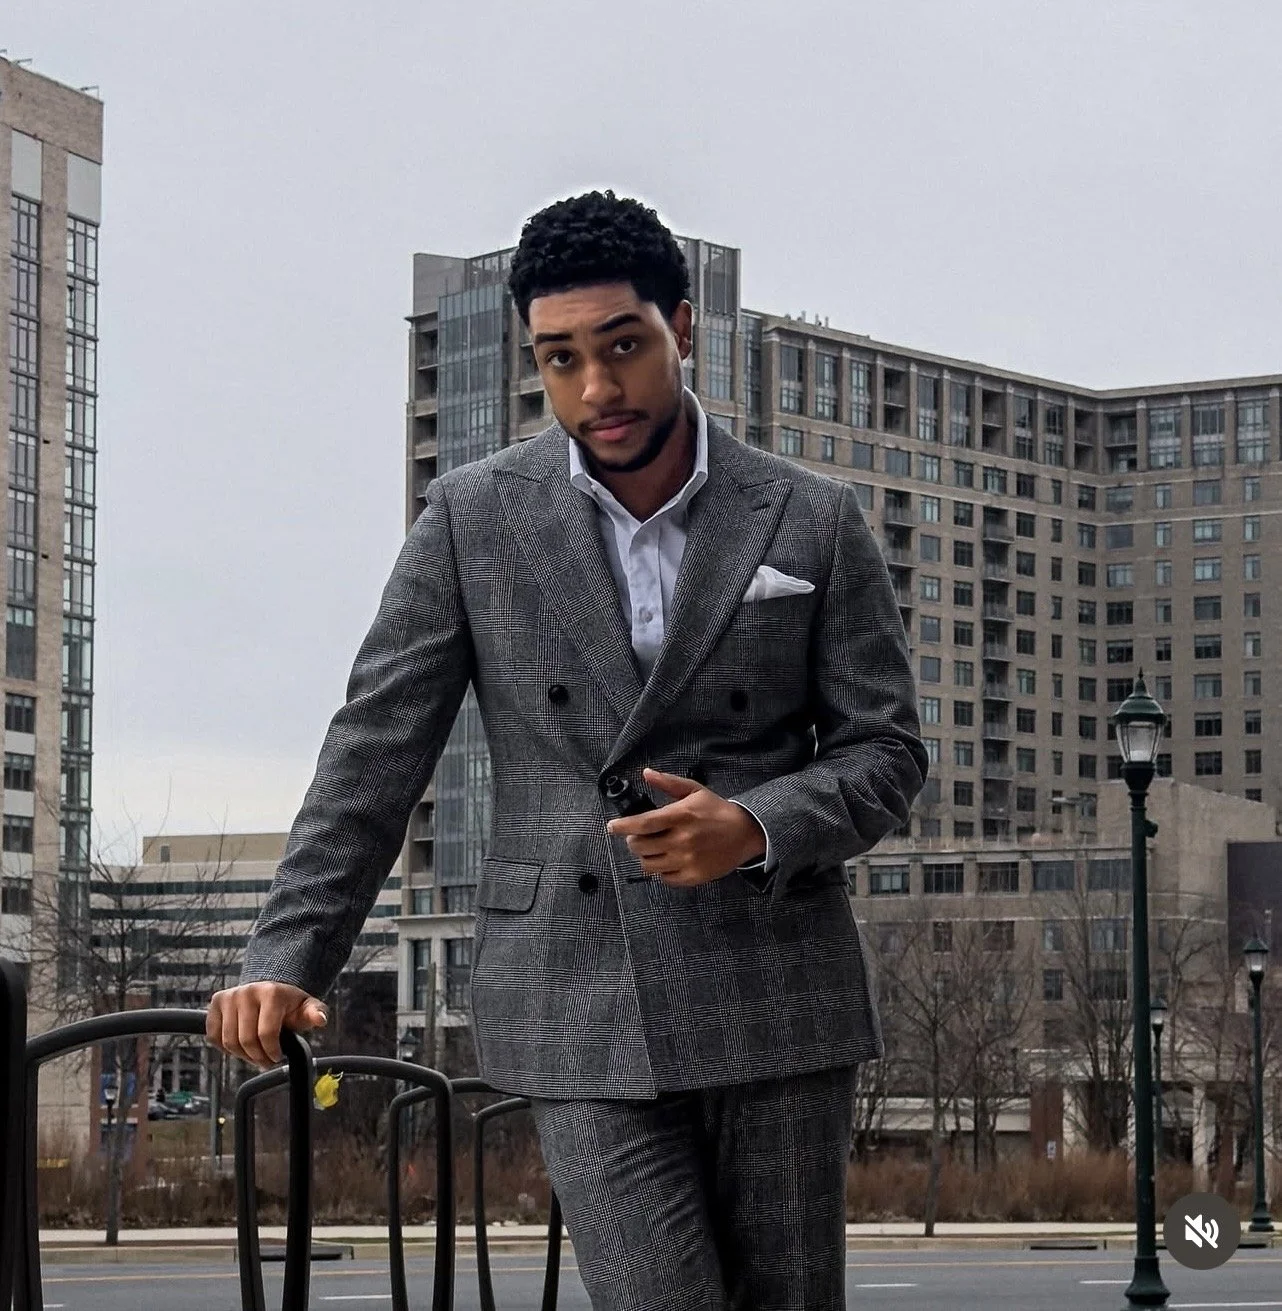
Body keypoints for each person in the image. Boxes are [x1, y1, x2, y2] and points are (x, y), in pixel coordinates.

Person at [207, 189, 927, 1309]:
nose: (596, 390)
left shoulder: (809, 517)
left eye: (624, 348)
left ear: (683, 327)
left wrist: (755, 826)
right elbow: (374, 751)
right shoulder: (472, 519)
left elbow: (885, 751)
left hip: (774, 985)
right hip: (576, 988)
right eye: (559, 360)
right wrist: (282, 957)